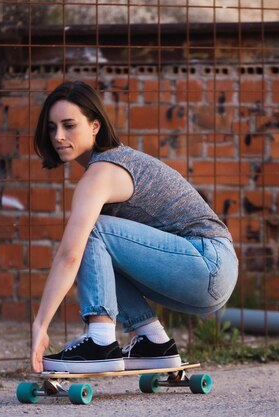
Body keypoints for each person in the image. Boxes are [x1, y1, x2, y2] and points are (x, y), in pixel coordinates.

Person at [30, 80, 238, 373]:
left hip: (208, 262)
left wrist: (41, 324)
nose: (59, 136)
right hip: (208, 270)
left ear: (94, 127)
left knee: (94, 230)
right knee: (101, 250)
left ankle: (100, 341)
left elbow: (69, 255)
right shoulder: (108, 166)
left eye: (69, 125)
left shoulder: (102, 172)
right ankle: (153, 341)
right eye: (52, 128)